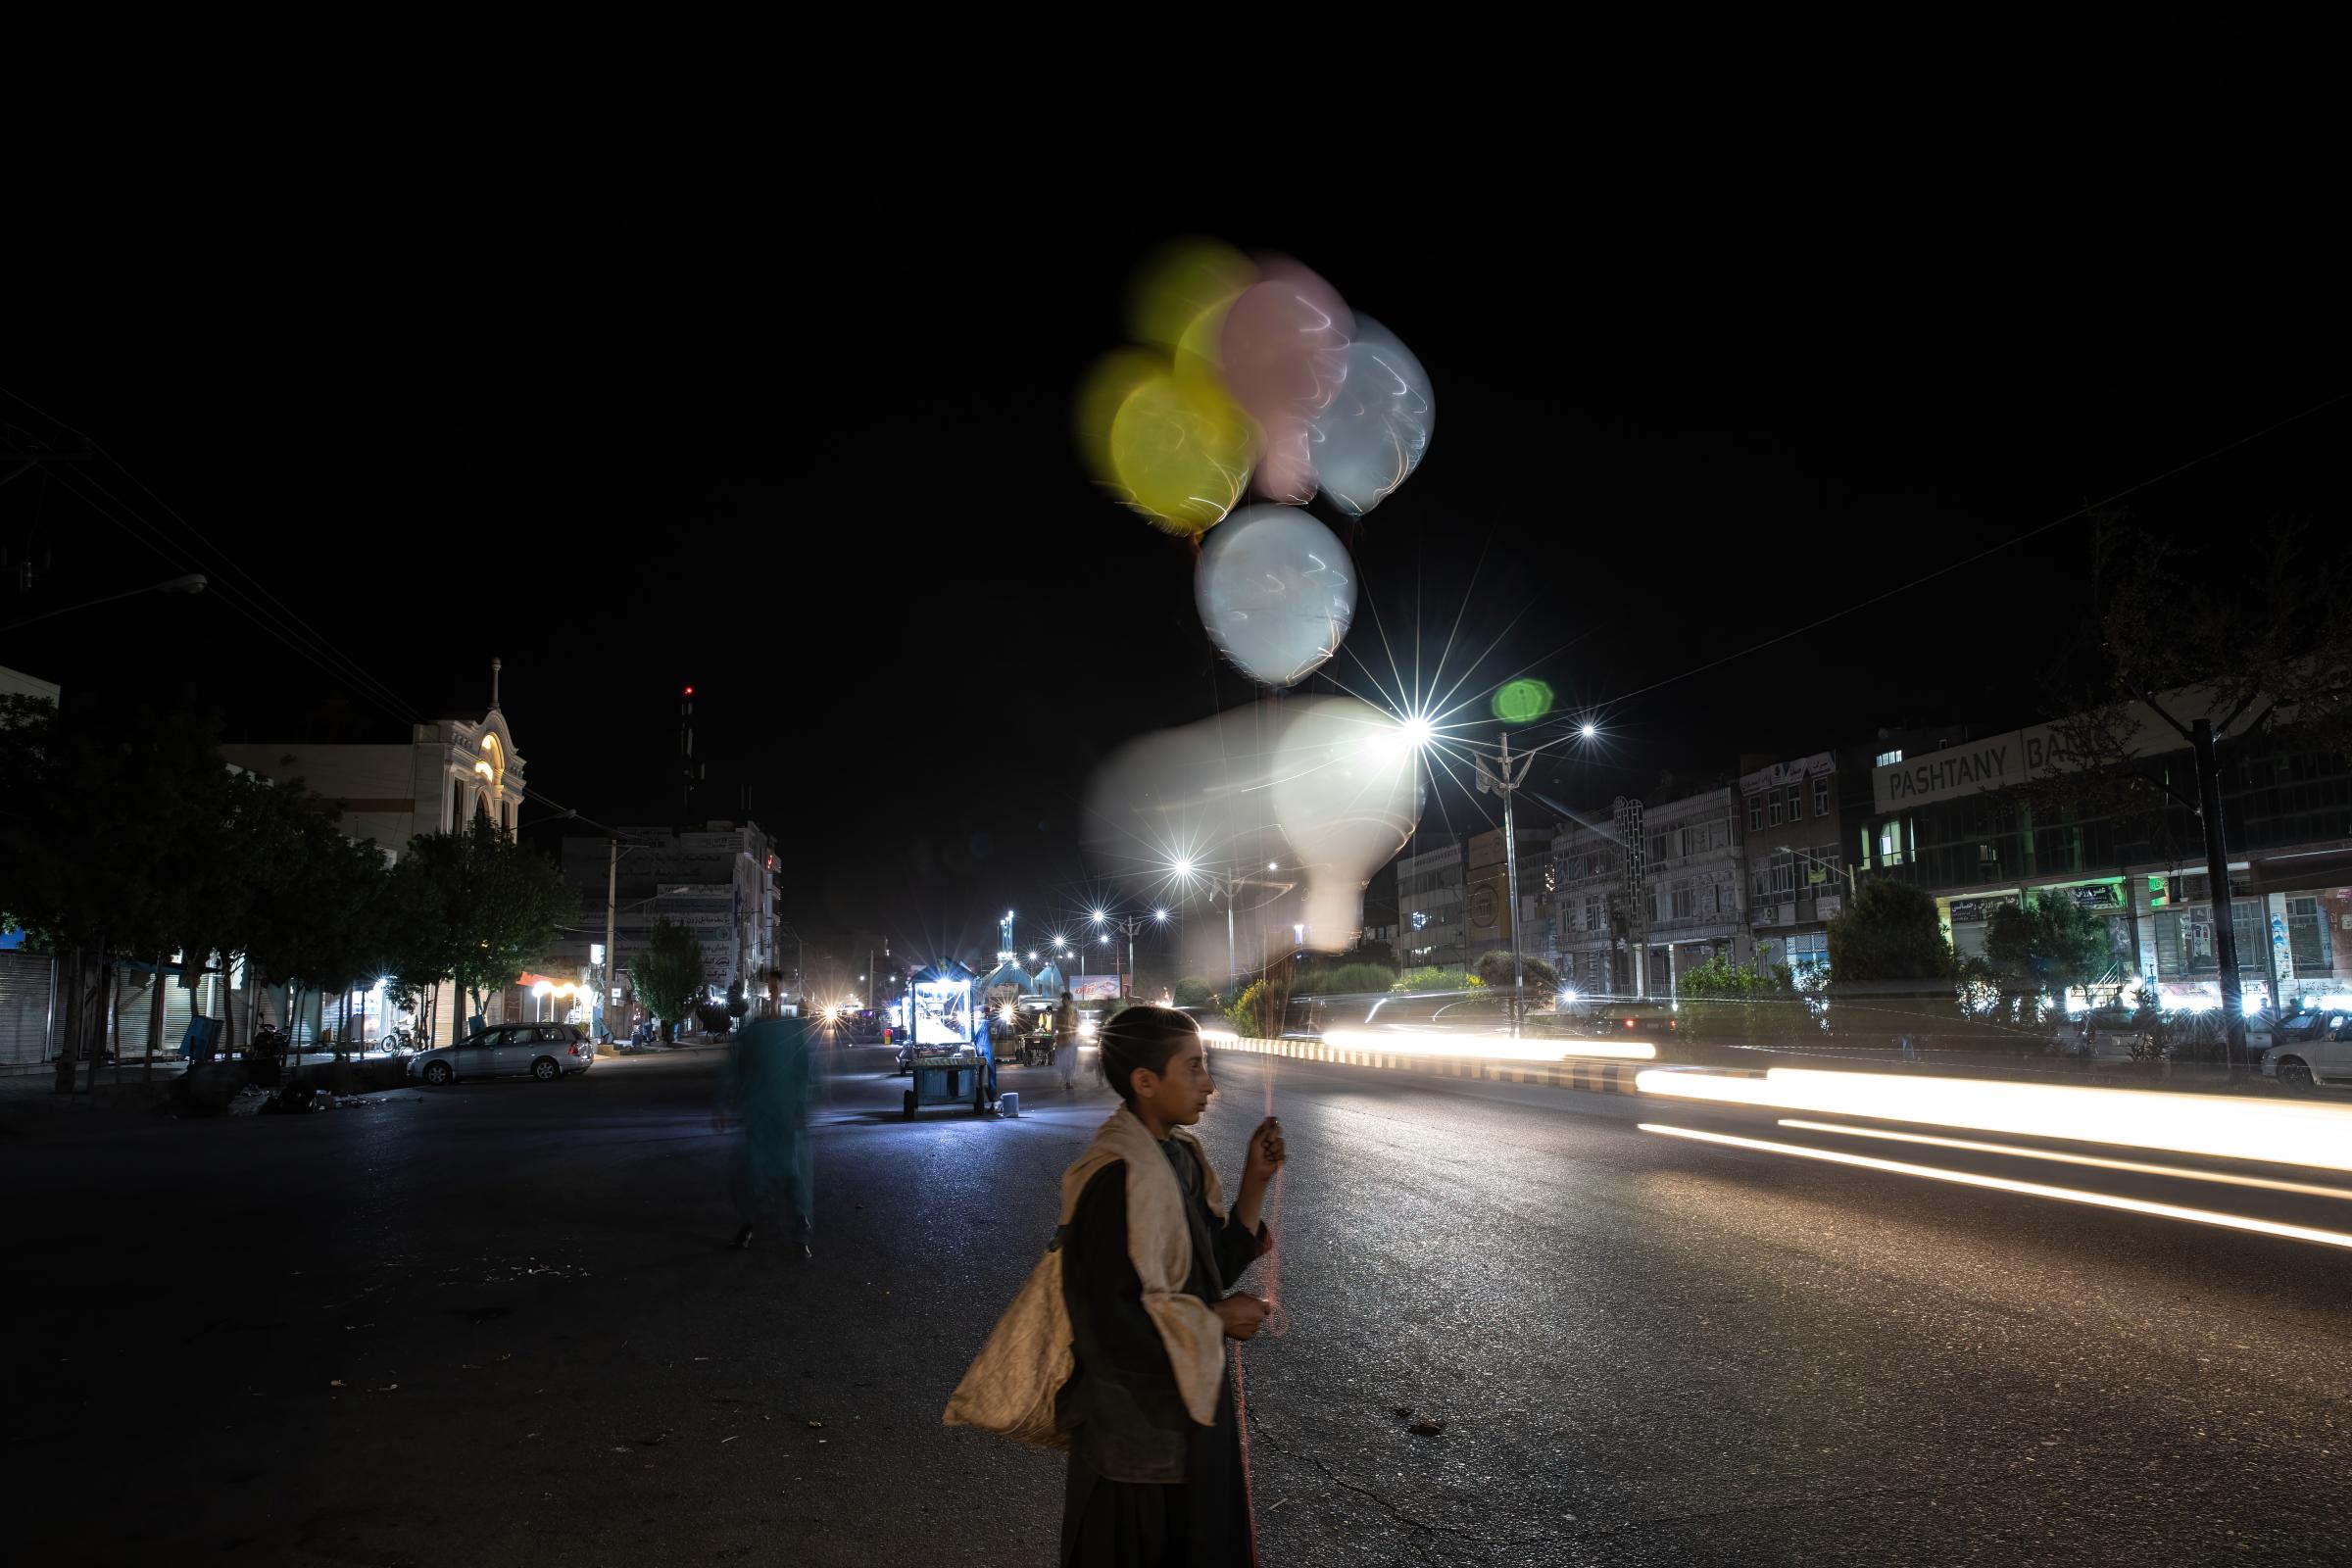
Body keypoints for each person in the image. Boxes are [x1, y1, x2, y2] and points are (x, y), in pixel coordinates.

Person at [1056, 1005, 1285, 1566]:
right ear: (1146, 1083)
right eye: (1194, 1068)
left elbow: (1209, 1270)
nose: (1209, 1084)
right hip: (1135, 1444)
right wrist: (1216, 1321)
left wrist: (1254, 1183)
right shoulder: (1113, 1179)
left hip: (1186, 1418)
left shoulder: (1179, 1159)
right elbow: (1109, 1328)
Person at [714, 968, 816, 1256]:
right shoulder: (752, 1032)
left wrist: (803, 1105)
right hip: (757, 1112)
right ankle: (747, 1225)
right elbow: (733, 1069)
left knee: (791, 1172)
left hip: (784, 1112)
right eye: (769, 987)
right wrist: (722, 1103)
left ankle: (800, 1232)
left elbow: (805, 1071)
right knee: (751, 1171)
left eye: (776, 987)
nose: (772, 992)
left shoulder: (792, 1030)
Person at [1054, 989, 1081, 1094]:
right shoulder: (1059, 1011)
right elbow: (1055, 1024)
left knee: (1070, 1063)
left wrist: (1076, 1034)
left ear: (1070, 1001)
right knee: (1062, 1063)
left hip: (1072, 1040)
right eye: (1063, 1000)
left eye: (1066, 999)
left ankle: (1069, 1081)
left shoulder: (1074, 1011)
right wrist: (1053, 1035)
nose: (1064, 1001)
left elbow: (1079, 1023)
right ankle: (1066, 1079)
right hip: (1061, 1039)